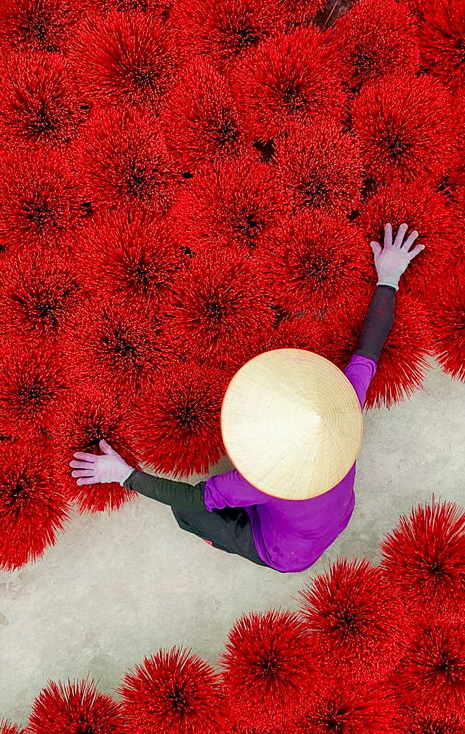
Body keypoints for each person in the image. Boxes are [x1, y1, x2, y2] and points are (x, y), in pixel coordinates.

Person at [70, 223, 425, 572]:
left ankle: (219, 539)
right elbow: (369, 350)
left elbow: (193, 497)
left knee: (186, 513)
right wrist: (389, 276)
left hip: (286, 552)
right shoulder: (341, 410)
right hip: (333, 516)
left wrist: (123, 475)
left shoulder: (264, 481)